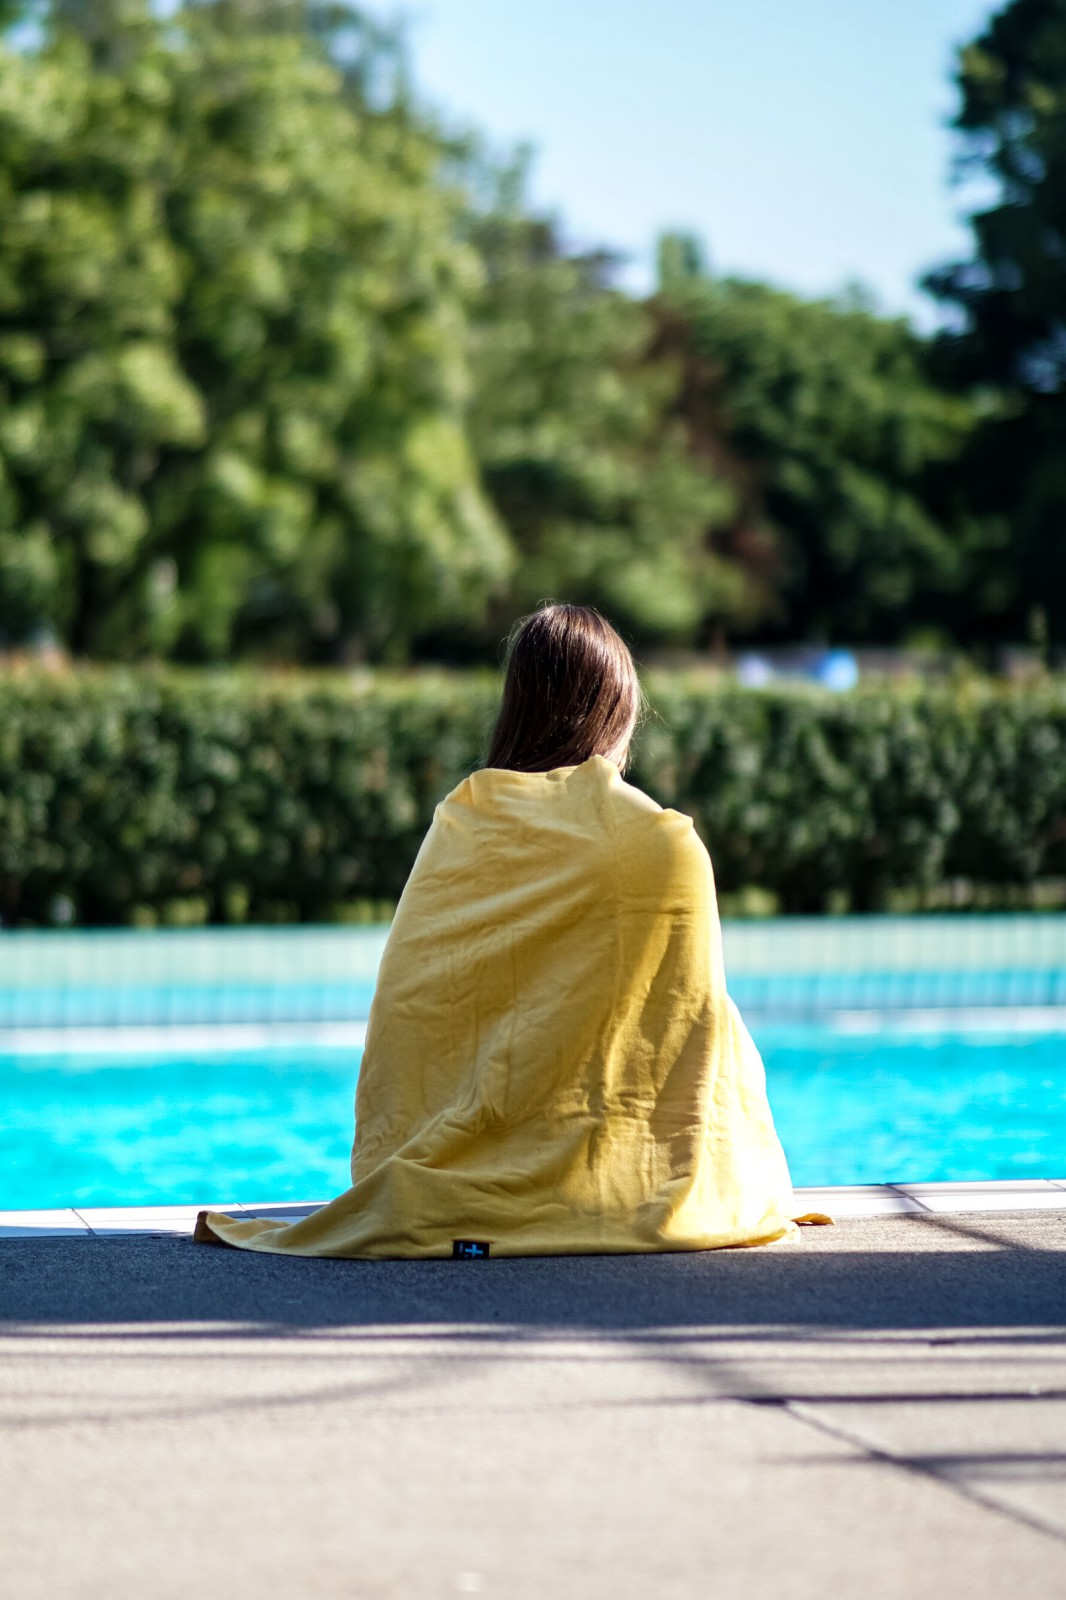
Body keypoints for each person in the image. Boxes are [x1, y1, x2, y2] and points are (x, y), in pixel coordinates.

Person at [195, 603, 824, 1257]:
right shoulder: (661, 843)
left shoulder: (463, 824)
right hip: (634, 1181)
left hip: (435, 1181)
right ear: (618, 711)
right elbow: (691, 1035)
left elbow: (414, 1018)